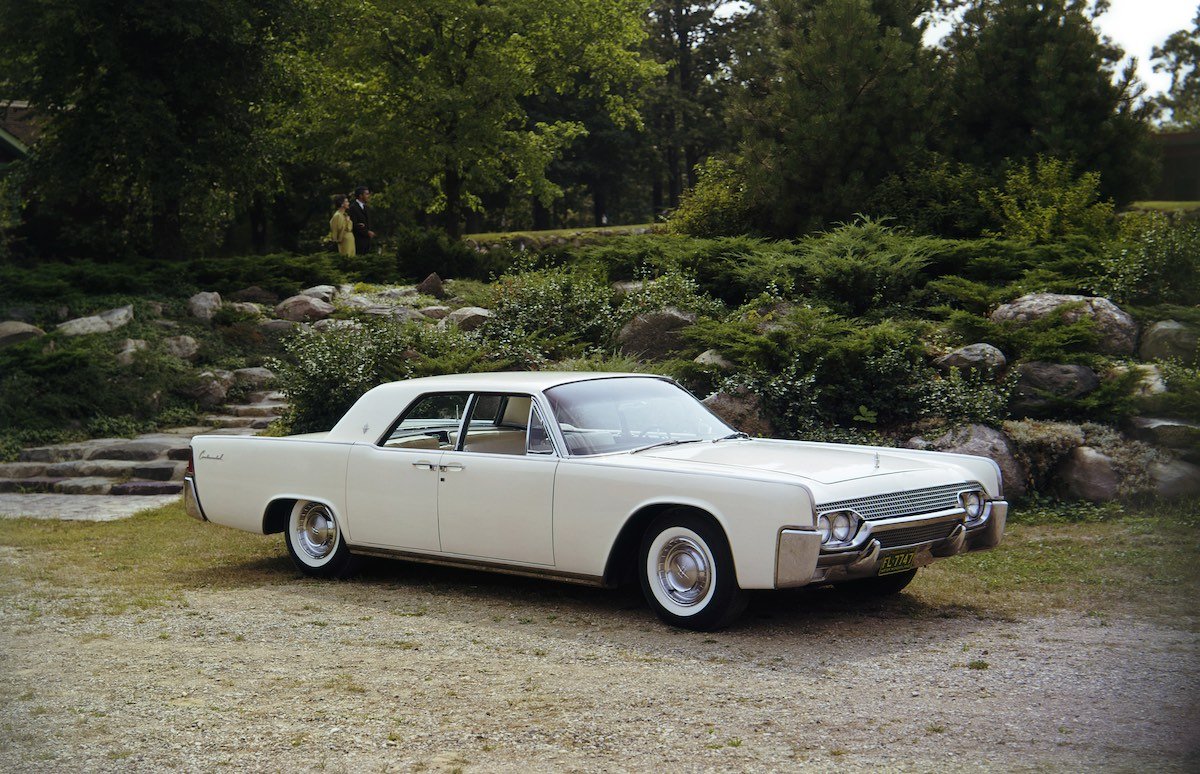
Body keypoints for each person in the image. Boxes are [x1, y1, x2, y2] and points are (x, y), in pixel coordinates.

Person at [350, 186, 376, 254]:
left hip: (367, 241)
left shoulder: (366, 207)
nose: (368, 196)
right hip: (358, 241)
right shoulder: (353, 208)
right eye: (366, 194)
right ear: (361, 196)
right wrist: (366, 232)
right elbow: (353, 225)